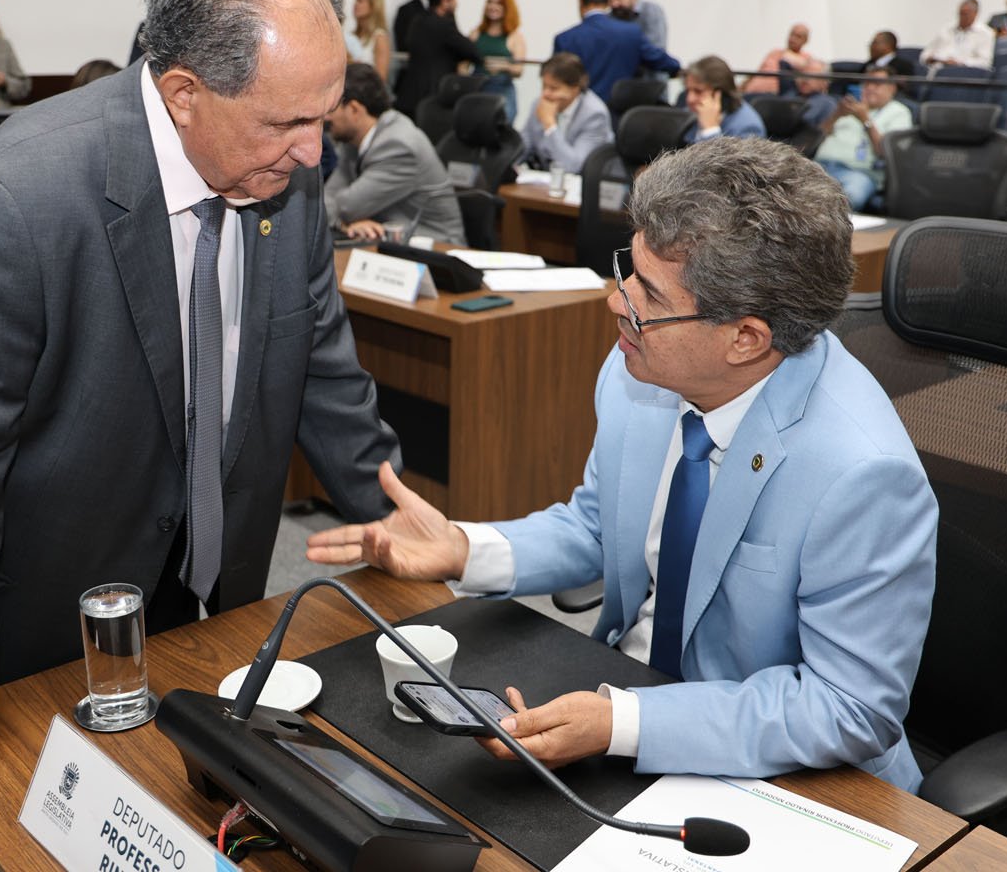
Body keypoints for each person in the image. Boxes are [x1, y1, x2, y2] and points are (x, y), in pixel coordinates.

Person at [0, 0, 401, 841]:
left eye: (324, 117)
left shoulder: (290, 183)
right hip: (38, 608)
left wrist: (396, 515)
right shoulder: (12, 197)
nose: (314, 155)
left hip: (205, 595)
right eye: (285, 124)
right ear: (185, 93)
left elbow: (326, 374)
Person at [308, 137, 937, 792]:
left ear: (746, 338)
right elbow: (600, 527)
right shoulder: (641, 368)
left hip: (790, 775)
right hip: (620, 693)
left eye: (650, 296)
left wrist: (625, 723)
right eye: (627, 269)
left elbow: (849, 707)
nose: (617, 301)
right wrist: (465, 548)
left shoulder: (862, 475)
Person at [325, 63, 465, 244]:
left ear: (354, 109)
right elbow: (324, 200)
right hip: (386, 240)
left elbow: (346, 208)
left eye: (331, 109)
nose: (325, 117)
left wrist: (344, 221)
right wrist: (344, 223)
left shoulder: (399, 145)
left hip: (436, 247)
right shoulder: (353, 141)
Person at [553, 0, 679, 104]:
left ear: (580, 1)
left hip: (580, 110)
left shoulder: (565, 39)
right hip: (620, 111)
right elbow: (660, 60)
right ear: (608, 1)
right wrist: (677, 69)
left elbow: (556, 80)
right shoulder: (631, 33)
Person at [814, 67, 913, 211]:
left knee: (852, 196)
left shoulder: (899, 112)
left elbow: (886, 152)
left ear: (892, 88)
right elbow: (816, 137)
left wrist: (865, 119)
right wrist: (836, 115)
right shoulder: (848, 107)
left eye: (877, 84)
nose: (870, 88)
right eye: (866, 84)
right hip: (819, 167)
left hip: (858, 173)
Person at [393, 0, 481, 119]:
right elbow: (473, 53)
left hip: (409, 94)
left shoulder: (417, 21)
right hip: (432, 96)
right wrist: (472, 39)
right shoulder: (444, 25)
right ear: (445, 1)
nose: (456, 3)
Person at [520, 52, 612, 174]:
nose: (545, 94)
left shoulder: (595, 115)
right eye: (544, 86)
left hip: (581, 181)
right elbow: (522, 148)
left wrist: (550, 125)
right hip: (543, 180)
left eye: (554, 88)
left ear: (575, 88)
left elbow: (574, 167)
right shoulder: (539, 104)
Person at [469, 0, 526, 123]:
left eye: (498, 3)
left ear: (507, 7)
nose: (493, 7)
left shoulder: (515, 37)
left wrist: (504, 66)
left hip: (502, 90)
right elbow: (463, 64)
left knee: (499, 128)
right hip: (476, 88)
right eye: (490, 2)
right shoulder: (476, 33)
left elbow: (519, 70)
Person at [682, 56, 765, 143]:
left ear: (721, 94)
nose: (689, 99)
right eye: (687, 90)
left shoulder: (747, 127)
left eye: (698, 91)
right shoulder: (690, 113)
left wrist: (710, 130)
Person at [742, 23, 828, 96]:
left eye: (798, 36)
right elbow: (756, 73)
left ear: (805, 40)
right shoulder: (774, 52)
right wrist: (741, 88)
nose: (792, 39)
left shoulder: (807, 59)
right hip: (750, 93)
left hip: (770, 98)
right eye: (792, 34)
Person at [921, 0, 994, 71]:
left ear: (975, 14)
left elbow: (985, 63)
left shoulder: (985, 33)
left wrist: (960, 63)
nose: (961, 17)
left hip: (964, 72)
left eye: (965, 14)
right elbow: (925, 54)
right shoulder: (947, 29)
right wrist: (930, 58)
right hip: (937, 69)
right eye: (960, 13)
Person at [346, 0, 391, 82]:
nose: (355, 4)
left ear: (373, 5)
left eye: (360, 0)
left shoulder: (379, 38)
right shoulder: (352, 36)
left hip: (366, 89)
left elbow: (380, 79)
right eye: (356, 0)